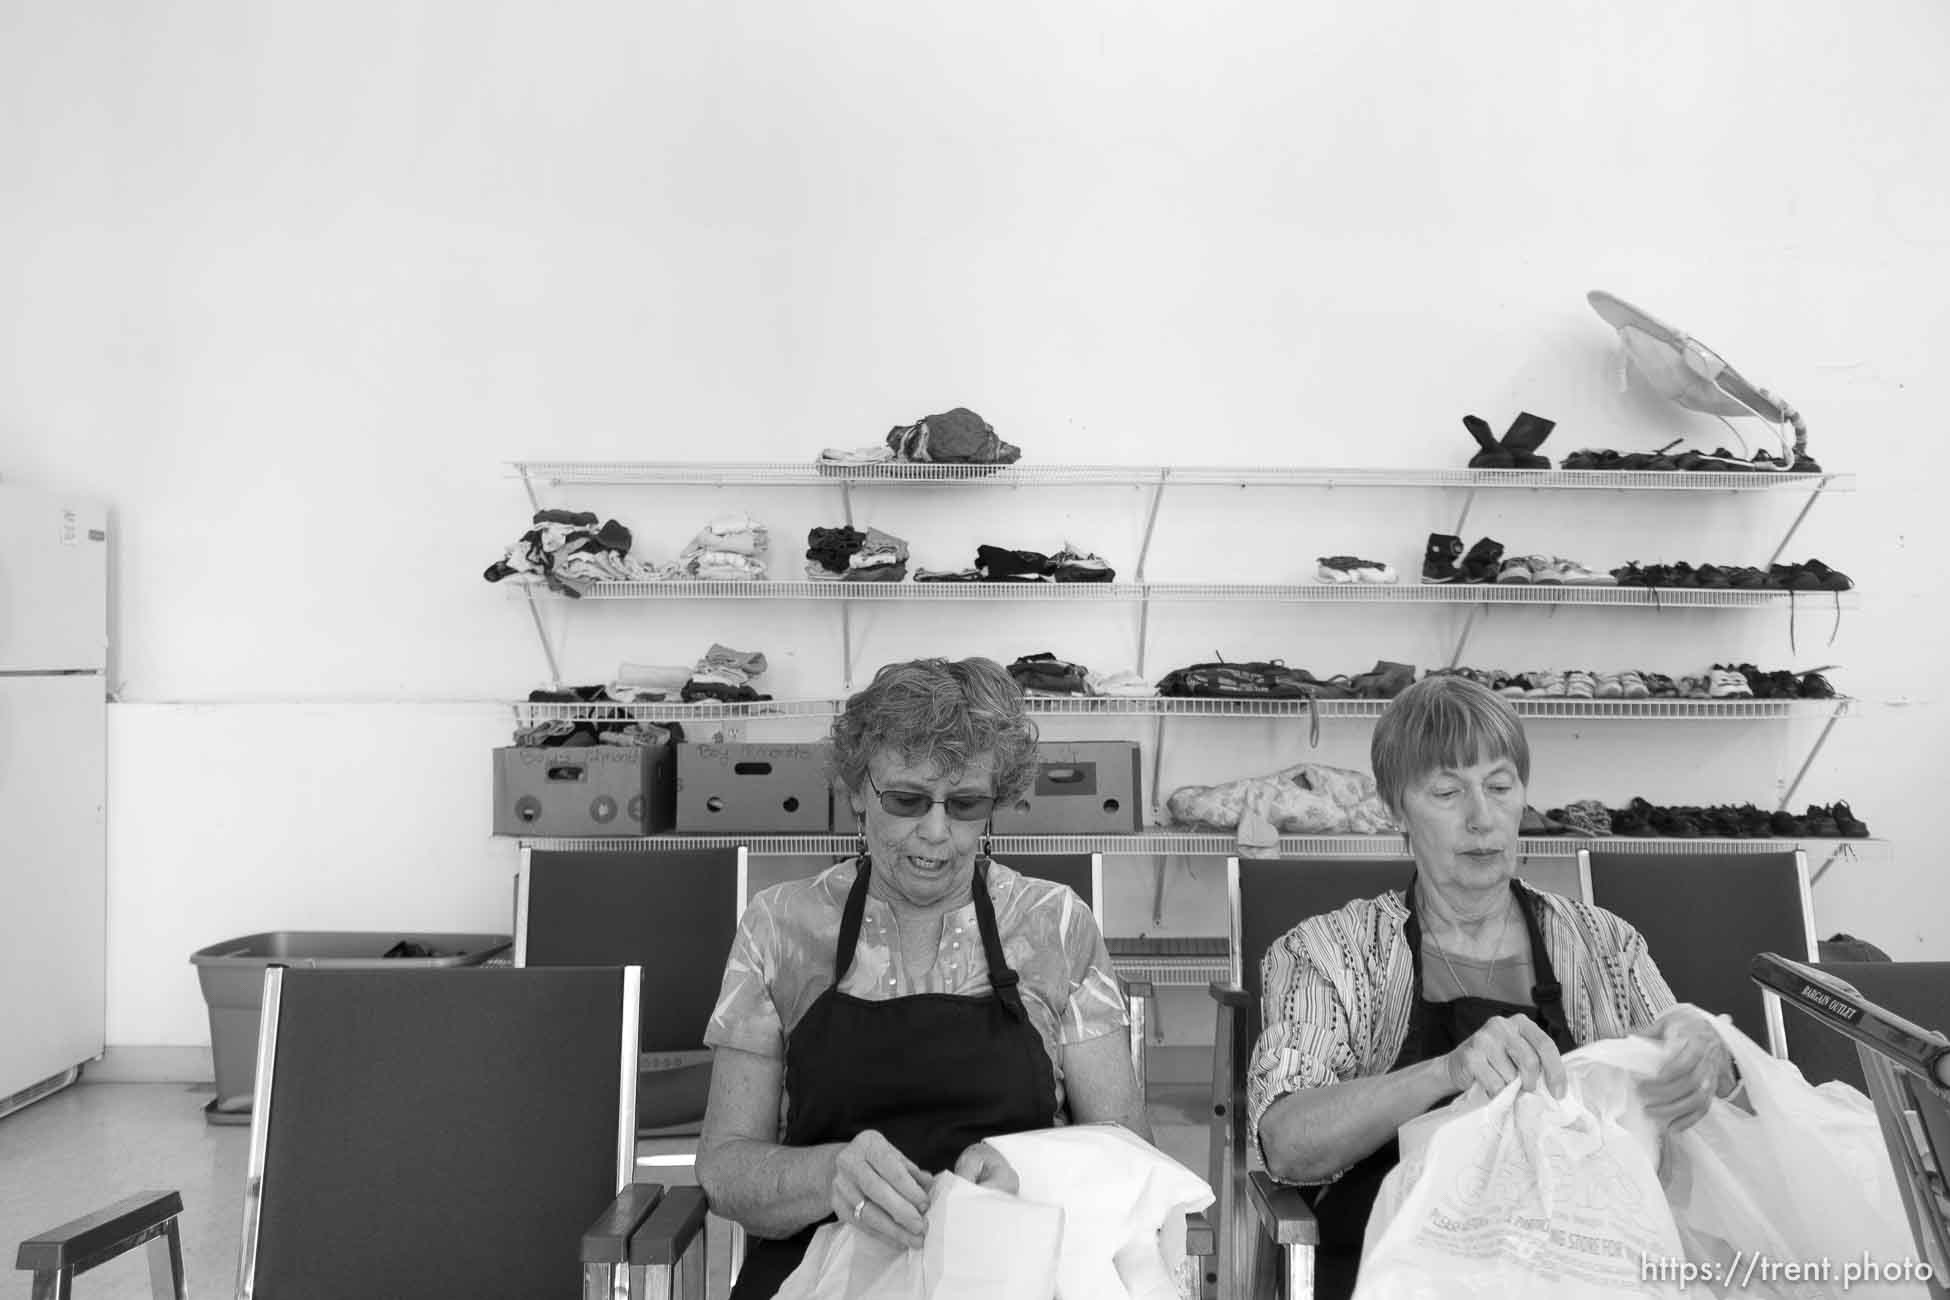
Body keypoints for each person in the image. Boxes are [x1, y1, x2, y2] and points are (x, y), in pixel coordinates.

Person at [1249, 674, 1740, 1299]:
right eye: (1447, 792)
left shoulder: (1603, 945)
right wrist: (1446, 1072)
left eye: (1500, 787)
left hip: (1586, 1269)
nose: (1482, 818)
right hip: (1397, 1269)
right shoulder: (1330, 952)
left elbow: (1710, 1108)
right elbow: (1288, 1145)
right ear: (1393, 807)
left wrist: (1704, 1053)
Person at [697, 656, 1150, 1299]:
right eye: (907, 800)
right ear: (858, 789)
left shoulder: (1054, 926)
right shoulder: (781, 929)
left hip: (1014, 1267)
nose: (936, 833)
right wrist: (830, 1175)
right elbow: (723, 1171)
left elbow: (1127, 1149)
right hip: (822, 1268)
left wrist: (1033, 1168)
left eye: (965, 804)